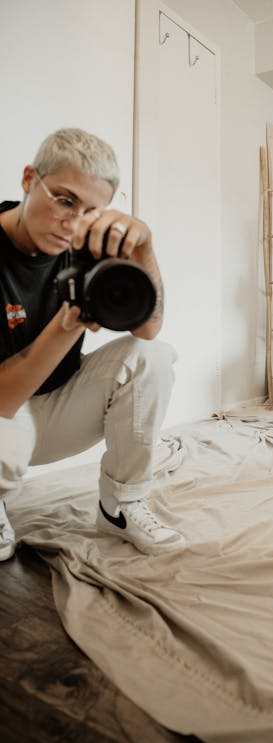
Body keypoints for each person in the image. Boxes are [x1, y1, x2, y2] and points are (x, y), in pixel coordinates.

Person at [0, 127, 184, 561]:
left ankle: (120, 505)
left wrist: (145, 247)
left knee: (153, 357)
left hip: (59, 408)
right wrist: (69, 323)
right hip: (4, 414)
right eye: (64, 199)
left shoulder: (85, 245)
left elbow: (149, 329)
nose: (72, 221)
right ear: (29, 179)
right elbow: (4, 399)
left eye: (90, 210)